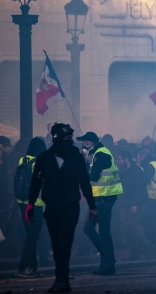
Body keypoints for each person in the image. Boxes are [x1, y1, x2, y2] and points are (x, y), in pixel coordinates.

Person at [27, 123, 97, 293]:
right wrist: (30, 203)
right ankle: (60, 278)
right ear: (56, 138)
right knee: (57, 244)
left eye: (70, 138)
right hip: (52, 207)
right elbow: (36, 182)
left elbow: (85, 182)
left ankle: (63, 279)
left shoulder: (76, 157)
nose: (70, 140)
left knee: (65, 242)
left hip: (70, 206)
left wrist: (92, 206)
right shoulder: (44, 158)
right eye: (66, 137)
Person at [79, 131, 123, 275]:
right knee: (104, 231)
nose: (83, 145)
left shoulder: (101, 154)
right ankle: (108, 266)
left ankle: (108, 259)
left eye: (85, 142)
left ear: (91, 143)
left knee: (88, 229)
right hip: (105, 198)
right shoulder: (99, 153)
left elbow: (94, 176)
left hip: (103, 199)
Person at [15, 137, 48, 278]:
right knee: (32, 236)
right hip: (36, 205)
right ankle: (24, 267)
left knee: (31, 235)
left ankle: (32, 267)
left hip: (23, 204)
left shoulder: (23, 160)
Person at [115, 149, 155, 261]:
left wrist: (136, 204)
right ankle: (134, 253)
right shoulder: (124, 170)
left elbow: (139, 189)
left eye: (120, 158)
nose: (119, 161)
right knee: (125, 228)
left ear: (126, 158)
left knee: (132, 227)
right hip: (125, 202)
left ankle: (149, 247)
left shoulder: (136, 171)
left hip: (135, 203)